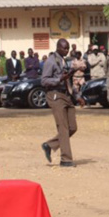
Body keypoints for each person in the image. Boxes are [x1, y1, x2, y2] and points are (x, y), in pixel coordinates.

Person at [41, 38, 81, 168]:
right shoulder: (50, 61)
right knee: (63, 128)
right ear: (58, 47)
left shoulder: (66, 61)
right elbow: (44, 81)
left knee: (72, 127)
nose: (66, 50)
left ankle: (50, 145)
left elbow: (68, 81)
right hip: (55, 95)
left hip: (67, 95)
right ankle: (66, 159)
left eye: (68, 48)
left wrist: (77, 95)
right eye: (64, 48)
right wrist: (59, 79)